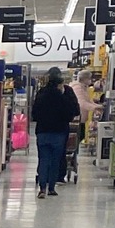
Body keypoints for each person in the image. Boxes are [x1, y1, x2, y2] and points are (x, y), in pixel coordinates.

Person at [32, 67, 81, 198]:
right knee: (55, 160)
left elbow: (34, 113)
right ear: (60, 83)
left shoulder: (41, 93)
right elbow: (73, 111)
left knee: (43, 159)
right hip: (59, 132)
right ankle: (52, 188)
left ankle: (42, 188)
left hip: (42, 131)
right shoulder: (63, 96)